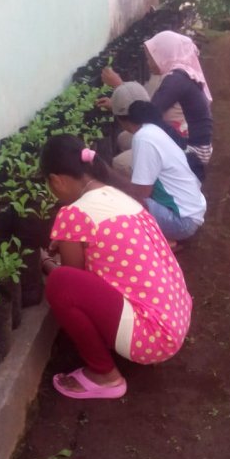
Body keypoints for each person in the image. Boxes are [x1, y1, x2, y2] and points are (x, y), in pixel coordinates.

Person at [40, 134, 192, 401]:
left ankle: (105, 376)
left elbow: (74, 280)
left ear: (56, 180)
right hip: (174, 321)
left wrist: (48, 265)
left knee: (60, 283)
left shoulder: (74, 213)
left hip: (152, 338)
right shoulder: (120, 196)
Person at [102, 30, 213, 175]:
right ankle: (149, 172)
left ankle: (151, 182)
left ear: (164, 54)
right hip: (182, 135)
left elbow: (148, 113)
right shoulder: (178, 74)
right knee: (124, 139)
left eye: (151, 57)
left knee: (120, 163)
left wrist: (119, 86)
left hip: (193, 150)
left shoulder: (175, 81)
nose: (148, 63)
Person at [113, 91, 207, 243]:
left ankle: (163, 240)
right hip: (194, 209)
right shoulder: (154, 129)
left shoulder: (143, 138)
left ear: (121, 120)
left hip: (182, 223)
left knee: (124, 201)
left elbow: (142, 192)